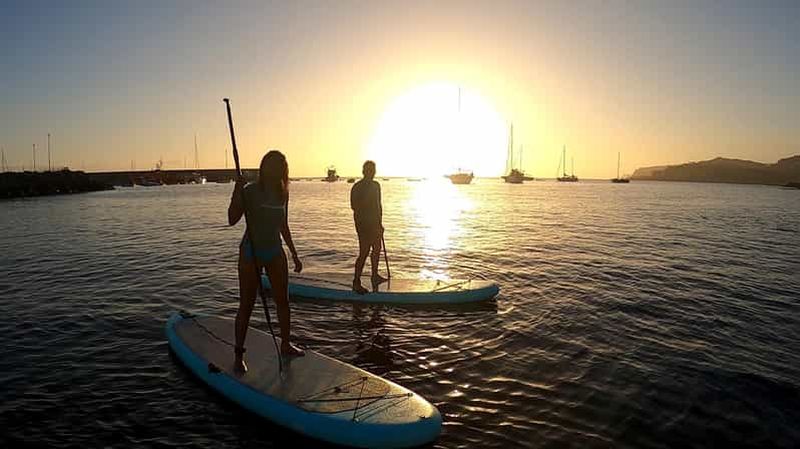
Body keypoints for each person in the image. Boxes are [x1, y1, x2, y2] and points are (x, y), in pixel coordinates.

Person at [228, 150, 304, 373]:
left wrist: (294, 253)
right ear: (263, 167)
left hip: (275, 252)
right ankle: (238, 355)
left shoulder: (283, 193)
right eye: (271, 164)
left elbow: (284, 225)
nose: (275, 168)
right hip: (251, 253)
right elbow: (231, 219)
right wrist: (236, 191)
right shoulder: (250, 191)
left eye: (280, 164)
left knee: (284, 302)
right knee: (247, 305)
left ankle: (285, 344)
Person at [350, 160, 387, 294]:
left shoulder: (376, 185)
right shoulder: (357, 187)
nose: (372, 173)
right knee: (364, 252)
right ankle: (356, 282)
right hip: (363, 224)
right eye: (369, 170)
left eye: (373, 170)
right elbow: (354, 207)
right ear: (364, 171)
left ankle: (374, 276)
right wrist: (367, 199)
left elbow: (379, 205)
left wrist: (380, 223)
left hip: (375, 224)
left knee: (377, 249)